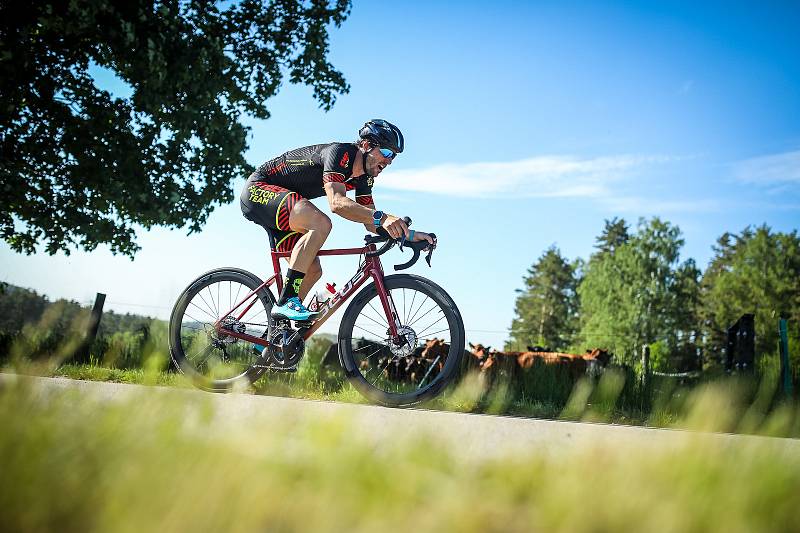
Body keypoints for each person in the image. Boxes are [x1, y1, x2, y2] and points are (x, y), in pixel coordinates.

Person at [240, 119, 435, 321]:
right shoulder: (340, 153)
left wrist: (409, 235)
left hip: (289, 206)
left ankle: (275, 334)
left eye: (393, 156)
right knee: (321, 223)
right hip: (260, 189)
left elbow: (370, 221)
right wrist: (383, 217)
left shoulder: (365, 178)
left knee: (313, 270)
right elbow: (337, 203)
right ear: (366, 145)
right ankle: (288, 300)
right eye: (386, 153)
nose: (389, 161)